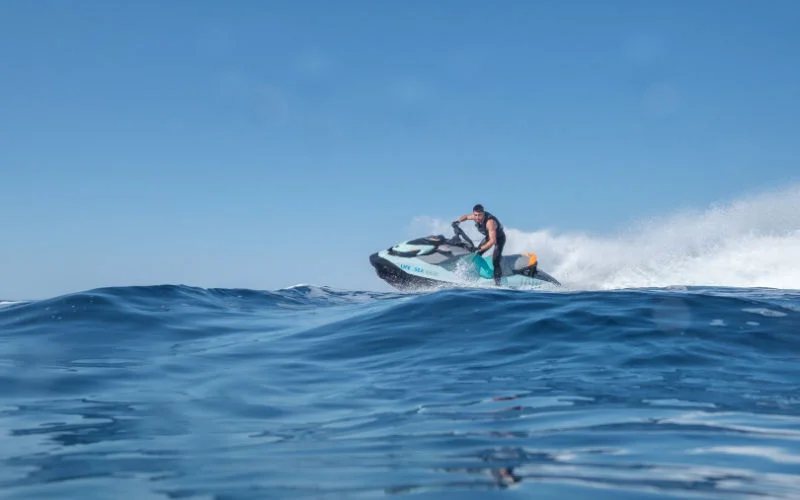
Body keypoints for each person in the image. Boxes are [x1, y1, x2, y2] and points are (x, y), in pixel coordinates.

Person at [454, 204, 506, 285]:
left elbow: (493, 241)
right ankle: (476, 275)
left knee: (495, 261)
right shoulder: (475, 217)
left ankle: (498, 283)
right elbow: (466, 217)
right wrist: (458, 221)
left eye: (480, 215)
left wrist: (481, 248)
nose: (477, 218)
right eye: (475, 215)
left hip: (498, 239)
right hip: (489, 237)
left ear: (483, 213)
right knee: (476, 255)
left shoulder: (490, 222)